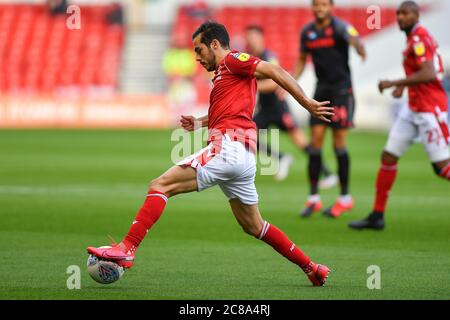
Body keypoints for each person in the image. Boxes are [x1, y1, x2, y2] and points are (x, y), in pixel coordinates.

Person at [87, 21, 333, 286]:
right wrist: (200, 122)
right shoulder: (222, 75)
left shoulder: (233, 60)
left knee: (160, 185)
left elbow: (273, 70)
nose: (197, 57)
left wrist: (307, 103)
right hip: (245, 157)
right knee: (254, 226)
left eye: (199, 49)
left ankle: (127, 249)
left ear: (215, 44)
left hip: (228, 148)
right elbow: (227, 110)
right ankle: (312, 268)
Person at [349, 1, 449, 230]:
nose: (400, 17)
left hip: (429, 109)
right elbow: (419, 70)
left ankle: (377, 214)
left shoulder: (419, 38)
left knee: (442, 168)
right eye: (398, 13)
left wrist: (395, 82)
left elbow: (429, 72)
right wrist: (404, 87)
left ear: (416, 15)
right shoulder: (413, 37)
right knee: (388, 156)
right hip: (413, 108)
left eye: (405, 13)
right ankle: (377, 215)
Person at [293, 0, 366, 218]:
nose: (319, 8)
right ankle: (313, 198)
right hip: (321, 92)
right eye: (316, 4)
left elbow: (354, 38)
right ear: (312, 7)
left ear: (331, 7)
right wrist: (287, 81)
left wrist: (359, 47)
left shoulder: (340, 27)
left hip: (342, 92)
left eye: (324, 4)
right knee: (315, 144)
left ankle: (345, 198)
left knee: (338, 144)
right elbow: (301, 60)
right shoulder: (307, 32)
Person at [245, 25, 338, 186]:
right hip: (265, 109)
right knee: (247, 136)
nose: (251, 40)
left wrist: (249, 86)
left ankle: (328, 173)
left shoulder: (268, 56)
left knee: (302, 143)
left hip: (279, 108)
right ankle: (281, 158)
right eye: (249, 37)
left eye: (254, 37)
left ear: (261, 38)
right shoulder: (253, 57)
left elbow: (275, 83)